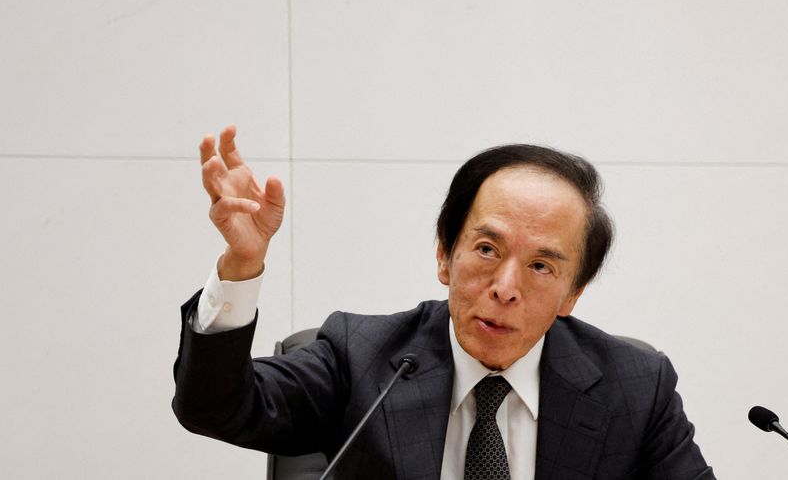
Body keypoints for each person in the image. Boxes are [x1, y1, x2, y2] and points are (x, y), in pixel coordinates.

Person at [173, 126, 715, 479]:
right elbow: (214, 407)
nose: (505, 286)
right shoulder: (361, 356)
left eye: (541, 266)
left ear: (572, 293)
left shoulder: (636, 388)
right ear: (444, 255)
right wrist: (241, 266)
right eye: (486, 249)